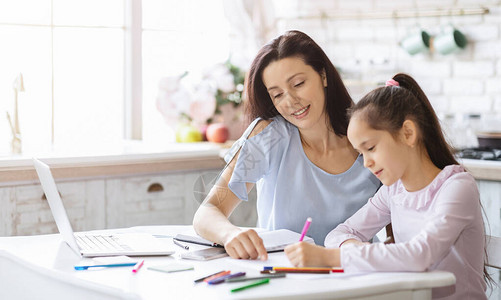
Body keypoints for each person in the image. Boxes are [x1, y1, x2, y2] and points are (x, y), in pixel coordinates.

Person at [284, 73, 488, 299]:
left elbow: (419, 255)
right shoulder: (393, 191)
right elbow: (340, 233)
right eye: (361, 154)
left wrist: (331, 257)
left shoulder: (457, 188)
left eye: (370, 148)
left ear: (408, 133)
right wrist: (355, 249)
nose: (366, 162)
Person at [192, 30, 380, 260]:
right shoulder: (268, 138)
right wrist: (230, 234)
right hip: (284, 279)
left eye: (298, 84)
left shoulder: (370, 139)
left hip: (357, 282)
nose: (290, 101)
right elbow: (207, 212)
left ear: (323, 75)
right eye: (277, 94)